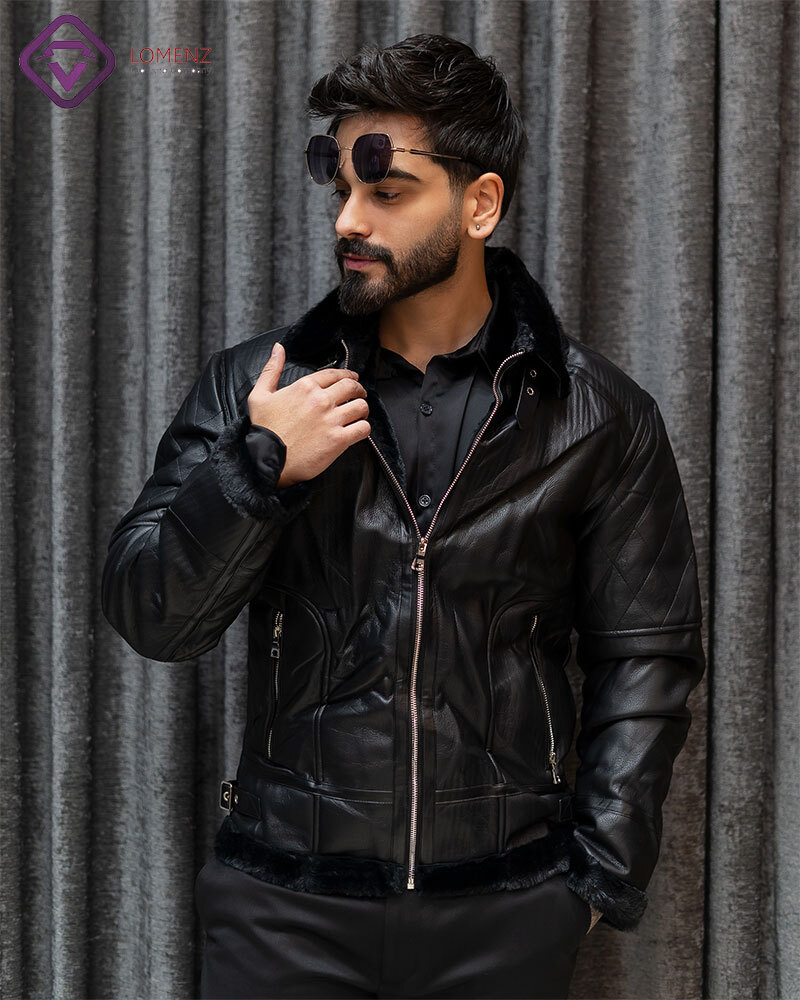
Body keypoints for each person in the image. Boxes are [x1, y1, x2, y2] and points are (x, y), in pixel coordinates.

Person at [101, 33, 706, 1000]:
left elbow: (648, 657)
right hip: (284, 912)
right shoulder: (263, 390)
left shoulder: (595, 415)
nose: (350, 219)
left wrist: (593, 881)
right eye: (343, 188)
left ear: (479, 204)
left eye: (387, 192)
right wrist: (258, 467)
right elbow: (150, 615)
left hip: (504, 915)